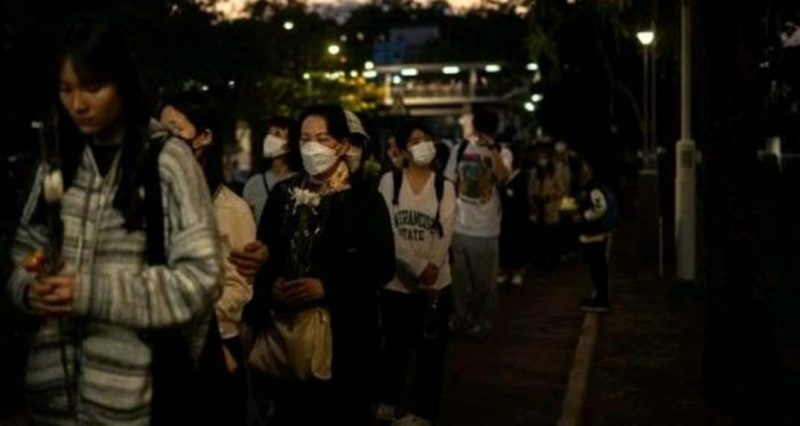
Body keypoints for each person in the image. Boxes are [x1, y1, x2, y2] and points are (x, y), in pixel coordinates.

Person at [6, 19, 221, 424]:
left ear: (122, 84)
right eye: (66, 89)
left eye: (92, 87)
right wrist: (28, 287)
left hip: (138, 404)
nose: (78, 105)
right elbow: (23, 249)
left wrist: (90, 292)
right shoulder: (57, 160)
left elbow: (203, 279)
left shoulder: (167, 159)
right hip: (50, 403)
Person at [244, 105, 395, 424]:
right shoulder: (283, 194)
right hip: (288, 336)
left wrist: (326, 286)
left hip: (344, 339)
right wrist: (271, 283)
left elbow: (381, 265)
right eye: (306, 138)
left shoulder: (365, 200)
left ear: (342, 145)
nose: (312, 146)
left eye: (322, 138)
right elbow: (266, 251)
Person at [160, 91, 256, 425]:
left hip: (216, 344)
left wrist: (198, 316)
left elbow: (240, 283)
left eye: (174, 130)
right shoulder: (149, 199)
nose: (164, 141)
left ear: (204, 138)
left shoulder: (232, 208)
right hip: (163, 345)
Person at [376, 122, 455, 426]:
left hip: (436, 286)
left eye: (427, 140)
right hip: (397, 284)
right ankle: (391, 401)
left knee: (431, 355)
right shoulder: (389, 182)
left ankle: (424, 412)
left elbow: (445, 230)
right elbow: (389, 233)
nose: (423, 145)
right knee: (394, 349)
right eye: (416, 140)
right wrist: (420, 268)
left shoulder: (444, 186)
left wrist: (433, 270)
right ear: (405, 149)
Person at [445, 110, 511, 338]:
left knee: (485, 282)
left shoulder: (502, 152)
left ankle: (483, 320)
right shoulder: (460, 149)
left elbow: (504, 176)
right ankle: (461, 317)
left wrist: (492, 150)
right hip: (459, 226)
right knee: (459, 282)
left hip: (486, 228)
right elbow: (450, 182)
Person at [574, 158, 615, 312]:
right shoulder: (589, 186)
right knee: (595, 268)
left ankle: (601, 299)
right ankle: (598, 296)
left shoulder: (594, 188)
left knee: (598, 268)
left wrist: (584, 216)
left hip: (595, 234)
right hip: (591, 234)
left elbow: (600, 207)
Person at [242, 116, 299, 226]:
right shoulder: (253, 183)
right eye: (269, 133)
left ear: (290, 143)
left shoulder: (302, 182)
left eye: (277, 134)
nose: (269, 138)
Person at [498, 143, 531, 286]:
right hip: (503, 218)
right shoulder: (500, 179)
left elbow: (523, 200)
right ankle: (505, 271)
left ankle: (518, 271)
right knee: (504, 244)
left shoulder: (522, 176)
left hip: (518, 217)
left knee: (517, 243)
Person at [529, 147, 565, 270]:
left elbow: (561, 190)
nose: (542, 160)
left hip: (550, 208)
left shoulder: (555, 172)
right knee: (539, 237)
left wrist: (551, 196)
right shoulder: (535, 172)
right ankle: (540, 260)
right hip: (538, 209)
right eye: (540, 158)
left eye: (544, 158)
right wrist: (534, 198)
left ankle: (552, 261)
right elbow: (531, 188)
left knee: (551, 237)